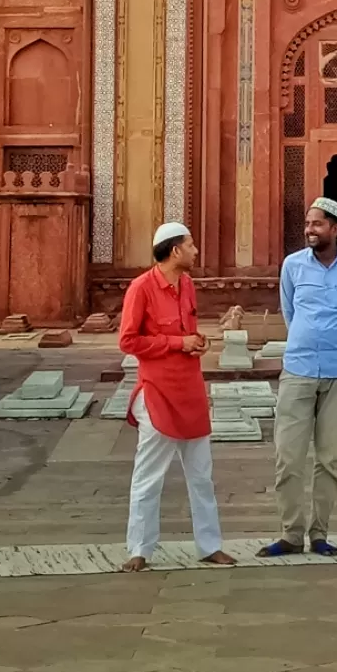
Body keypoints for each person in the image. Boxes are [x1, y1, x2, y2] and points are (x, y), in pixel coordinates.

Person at [258, 195, 337, 557]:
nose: (310, 229)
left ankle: (319, 534)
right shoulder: (293, 265)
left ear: (334, 228)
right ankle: (291, 534)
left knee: (328, 459)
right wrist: (309, 339)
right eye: (308, 223)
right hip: (299, 370)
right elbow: (289, 310)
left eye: (317, 224)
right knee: (288, 458)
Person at [119, 220, 235, 570]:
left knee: (202, 476)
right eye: (191, 244)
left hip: (190, 391)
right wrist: (175, 343)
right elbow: (128, 341)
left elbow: (186, 332)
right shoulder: (141, 289)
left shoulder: (187, 286)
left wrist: (196, 342)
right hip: (157, 393)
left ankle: (209, 545)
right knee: (148, 476)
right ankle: (139, 549)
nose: (196, 250)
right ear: (175, 251)